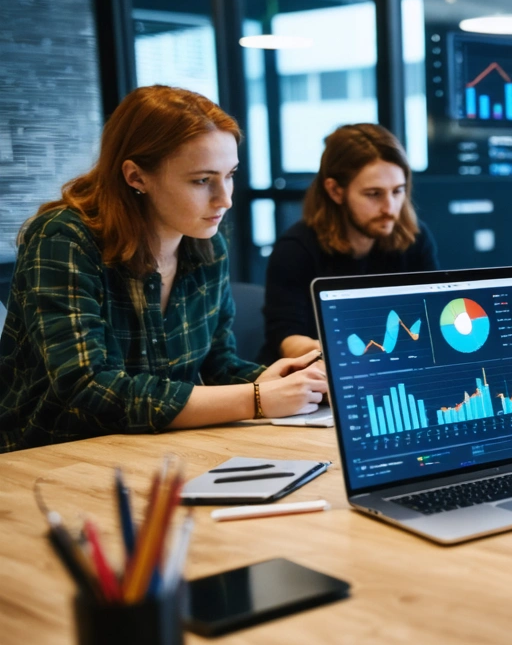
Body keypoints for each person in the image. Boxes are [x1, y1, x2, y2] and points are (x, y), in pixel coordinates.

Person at [0, 85, 329, 452]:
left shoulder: (206, 243)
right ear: (136, 177)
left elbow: (217, 366)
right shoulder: (64, 238)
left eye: (230, 174)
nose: (226, 198)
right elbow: (88, 388)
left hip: (156, 451)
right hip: (50, 456)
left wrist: (289, 381)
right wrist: (256, 398)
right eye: (202, 180)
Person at [260, 124, 438, 362]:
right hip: (313, 380)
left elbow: (431, 318)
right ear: (335, 191)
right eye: (374, 194)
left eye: (397, 191)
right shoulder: (295, 250)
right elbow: (287, 340)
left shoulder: (414, 239)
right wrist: (352, 357)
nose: (389, 208)